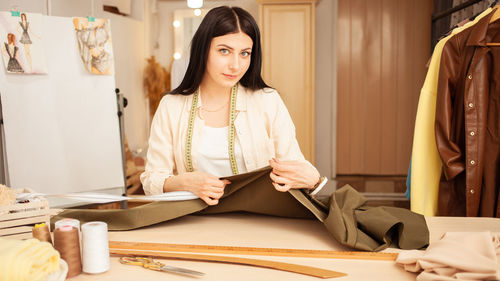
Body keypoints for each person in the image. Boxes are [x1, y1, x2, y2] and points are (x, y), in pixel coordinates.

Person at [140, 6, 327, 205]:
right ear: (202, 50)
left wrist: (314, 180)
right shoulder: (171, 106)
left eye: (245, 53)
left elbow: (295, 169)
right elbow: (151, 181)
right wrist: (182, 182)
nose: (236, 65)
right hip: (194, 221)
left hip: (260, 219)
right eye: (224, 51)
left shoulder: (267, 100)